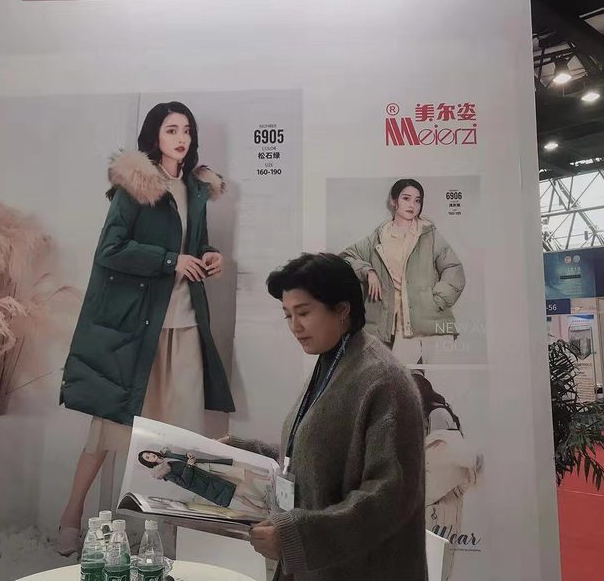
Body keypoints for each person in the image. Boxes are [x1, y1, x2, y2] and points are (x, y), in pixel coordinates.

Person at [56, 101, 236, 555]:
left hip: (186, 323)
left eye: (187, 130)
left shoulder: (196, 188)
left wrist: (209, 255)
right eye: (172, 129)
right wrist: (171, 261)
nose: (181, 138)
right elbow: (110, 249)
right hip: (138, 327)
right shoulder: (136, 185)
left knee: (182, 438)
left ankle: (168, 535)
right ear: (154, 135)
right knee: (109, 429)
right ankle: (71, 516)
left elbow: (194, 242)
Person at [224, 253, 426, 580]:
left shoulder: (385, 381)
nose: (295, 326)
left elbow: (390, 496)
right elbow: (316, 458)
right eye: (288, 315)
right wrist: (242, 452)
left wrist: (298, 537)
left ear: (342, 309)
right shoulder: (332, 362)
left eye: (304, 312)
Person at [340, 179, 465, 364]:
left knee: (442, 378)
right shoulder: (378, 238)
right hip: (401, 329)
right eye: (406, 198)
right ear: (394, 201)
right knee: (402, 379)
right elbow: (345, 258)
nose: (412, 205)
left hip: (434, 324)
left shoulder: (429, 234)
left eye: (417, 200)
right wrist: (369, 271)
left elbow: (453, 268)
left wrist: (436, 301)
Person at [413, 373, 481, 581]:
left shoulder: (437, 414)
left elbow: (441, 459)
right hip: (441, 497)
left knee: (435, 563)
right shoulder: (434, 413)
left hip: (441, 499)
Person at [138, 450, 268, 513]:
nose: (151, 456)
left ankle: (265, 479)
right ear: (148, 463)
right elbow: (184, 483)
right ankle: (258, 508)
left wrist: (188, 456)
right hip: (203, 479)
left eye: (148, 454)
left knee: (236, 472)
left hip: (204, 468)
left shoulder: (167, 455)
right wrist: (189, 466)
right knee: (234, 493)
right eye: (147, 458)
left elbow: (183, 458)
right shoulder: (164, 471)